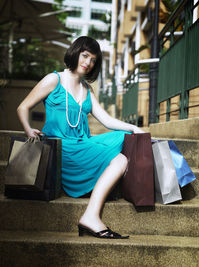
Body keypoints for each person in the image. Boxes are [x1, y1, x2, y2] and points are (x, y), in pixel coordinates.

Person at [17, 36, 144, 239]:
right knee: (120, 158)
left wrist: (134, 128)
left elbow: (107, 120)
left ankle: (91, 213)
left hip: (82, 144)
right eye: (85, 56)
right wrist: (28, 129)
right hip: (61, 147)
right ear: (75, 53)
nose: (88, 62)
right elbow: (23, 106)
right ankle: (90, 216)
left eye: (93, 59)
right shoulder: (53, 80)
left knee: (122, 142)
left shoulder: (87, 89)